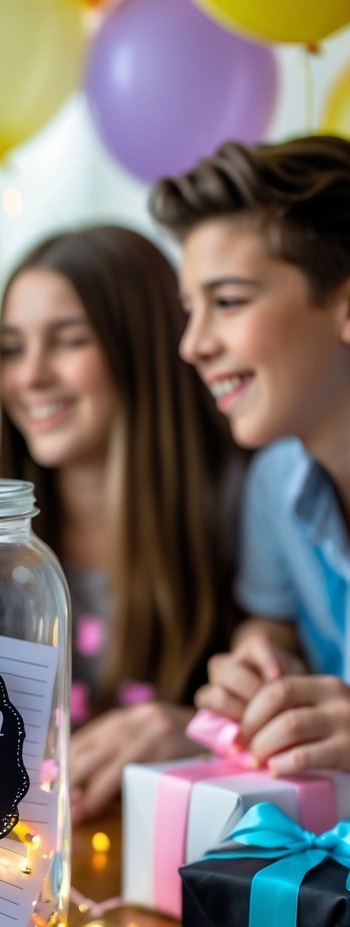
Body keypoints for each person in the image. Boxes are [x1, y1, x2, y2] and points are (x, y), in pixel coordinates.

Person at [0, 225, 242, 820]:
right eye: (12, 348)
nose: (30, 376)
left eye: (69, 341)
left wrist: (201, 735)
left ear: (145, 348)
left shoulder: (242, 510)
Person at [149, 135, 350, 776]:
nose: (193, 344)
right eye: (191, 309)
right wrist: (261, 660)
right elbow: (275, 621)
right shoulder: (274, 480)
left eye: (229, 301)